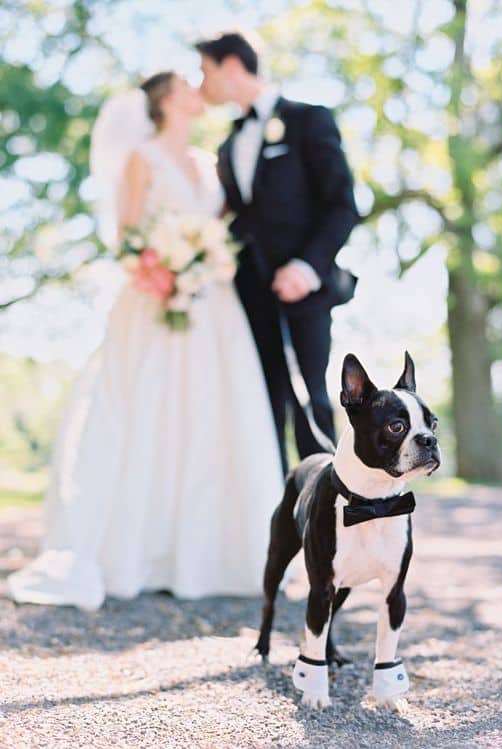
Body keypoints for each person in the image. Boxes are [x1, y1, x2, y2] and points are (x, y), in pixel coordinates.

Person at [8, 72, 283, 611]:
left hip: (212, 303)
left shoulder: (209, 163)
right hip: (156, 298)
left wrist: (202, 265)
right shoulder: (142, 157)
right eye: (186, 83)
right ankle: (137, 554)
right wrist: (164, 271)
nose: (197, 88)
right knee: (146, 412)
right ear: (163, 100)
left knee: (211, 415)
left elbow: (222, 224)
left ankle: (209, 556)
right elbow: (127, 236)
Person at [196, 32, 359, 474]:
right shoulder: (228, 145)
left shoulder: (309, 120)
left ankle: (327, 507)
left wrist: (307, 267)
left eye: (205, 71)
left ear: (231, 65)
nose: (201, 84)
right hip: (246, 293)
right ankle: (274, 515)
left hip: (303, 290)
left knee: (311, 397)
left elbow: (343, 203)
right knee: (260, 402)